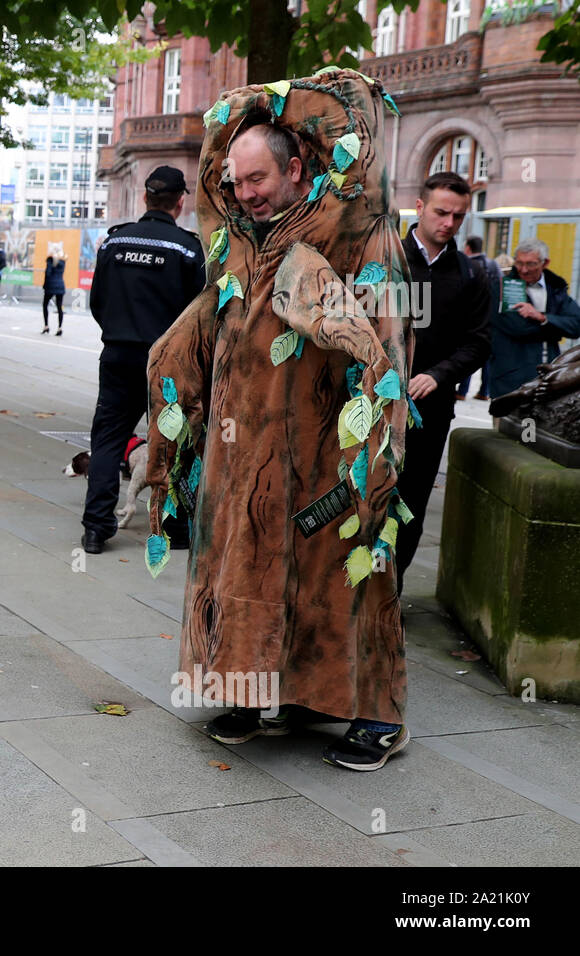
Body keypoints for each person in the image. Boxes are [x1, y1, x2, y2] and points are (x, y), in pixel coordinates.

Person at [145, 71, 413, 771]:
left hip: (328, 450)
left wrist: (380, 454)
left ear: (297, 169)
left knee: (346, 574)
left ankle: (377, 715)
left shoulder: (364, 238)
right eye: (235, 183)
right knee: (247, 567)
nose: (245, 193)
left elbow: (386, 348)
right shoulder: (237, 242)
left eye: (258, 178)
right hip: (245, 453)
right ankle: (251, 690)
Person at [80, 165, 204, 554]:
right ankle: (175, 528)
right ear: (181, 202)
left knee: (108, 440)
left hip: (118, 355)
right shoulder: (187, 248)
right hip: (168, 361)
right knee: (174, 441)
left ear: (144, 198)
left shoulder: (114, 243)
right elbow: (199, 311)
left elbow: (97, 302)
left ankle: (96, 529)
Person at [396, 173, 491, 594]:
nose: (449, 223)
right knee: (361, 497)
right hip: (371, 404)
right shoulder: (386, 259)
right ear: (419, 207)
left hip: (431, 411)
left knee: (412, 501)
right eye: (441, 212)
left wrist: (438, 375)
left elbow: (479, 343)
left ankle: (389, 592)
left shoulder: (471, 275)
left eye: (458, 216)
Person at [485, 238, 580, 399]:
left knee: (541, 425)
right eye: (519, 263)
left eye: (530, 264)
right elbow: (518, 328)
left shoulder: (555, 288)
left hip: (548, 380)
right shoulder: (503, 288)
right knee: (511, 425)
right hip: (511, 381)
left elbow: (576, 325)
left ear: (545, 263)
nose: (523, 269)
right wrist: (556, 329)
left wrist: (541, 317)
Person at [455, 235, 500, 401]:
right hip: (491, 317)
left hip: (470, 318)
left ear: (467, 248)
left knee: (468, 352)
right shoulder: (493, 264)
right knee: (486, 356)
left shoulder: (466, 266)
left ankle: (462, 391)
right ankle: (484, 392)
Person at [42, 255, 66, 335]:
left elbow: (47, 274)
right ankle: (60, 328)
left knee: (45, 304)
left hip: (50, 286)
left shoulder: (50, 261)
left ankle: (46, 326)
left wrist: (44, 286)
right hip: (60, 286)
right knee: (59, 307)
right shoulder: (62, 262)